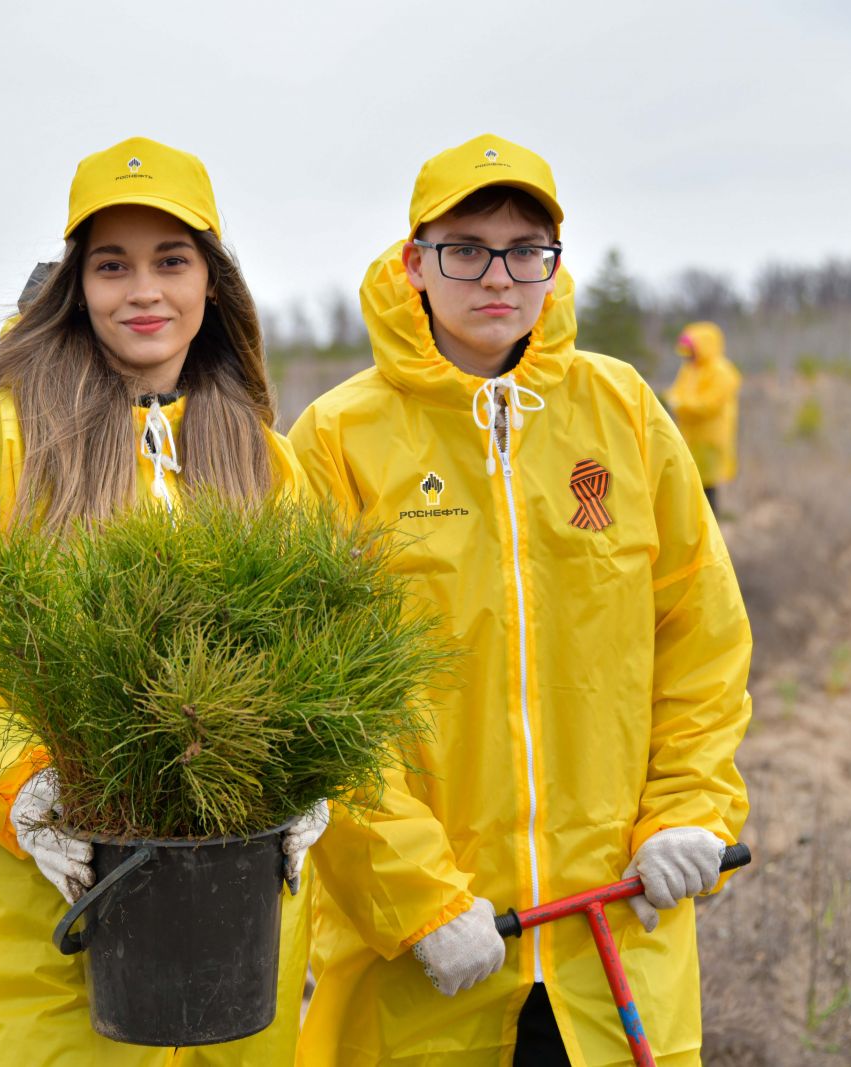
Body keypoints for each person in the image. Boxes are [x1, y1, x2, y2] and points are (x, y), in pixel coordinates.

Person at [0, 137, 323, 1066]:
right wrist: (24, 787)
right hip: (37, 937)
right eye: (112, 265)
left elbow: (312, 664)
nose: (144, 291)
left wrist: (308, 781)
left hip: (235, 956)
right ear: (76, 281)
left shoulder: (261, 458)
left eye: (171, 261)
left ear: (212, 280)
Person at [288, 134, 752, 1066]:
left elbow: (700, 638)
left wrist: (688, 811)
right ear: (415, 263)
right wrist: (418, 897)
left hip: (615, 932)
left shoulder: (625, 411)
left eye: (525, 250)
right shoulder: (337, 439)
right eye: (466, 249)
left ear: (554, 263)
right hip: (432, 961)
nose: (498, 276)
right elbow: (314, 703)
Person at [663, 322, 741, 513]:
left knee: (707, 484)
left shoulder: (721, 371)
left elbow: (710, 404)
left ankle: (712, 521)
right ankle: (696, 521)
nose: (688, 355)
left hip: (710, 438)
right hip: (690, 435)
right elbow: (676, 392)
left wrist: (682, 405)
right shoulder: (690, 369)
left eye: (691, 349)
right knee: (691, 482)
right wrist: (677, 402)